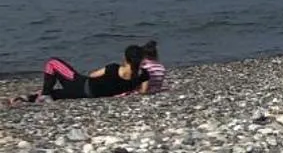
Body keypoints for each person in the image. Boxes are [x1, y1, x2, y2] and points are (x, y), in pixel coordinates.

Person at [11, 42, 167, 105]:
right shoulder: (140, 77)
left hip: (81, 85)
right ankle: (29, 98)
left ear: (125, 58)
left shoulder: (113, 68)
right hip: (87, 95)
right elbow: (143, 89)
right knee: (57, 93)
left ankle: (43, 95)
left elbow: (93, 75)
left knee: (53, 63)